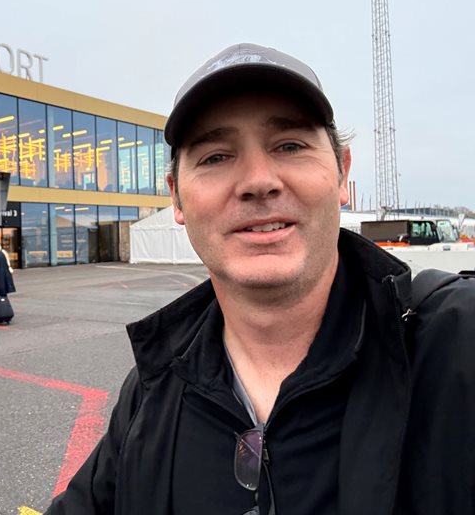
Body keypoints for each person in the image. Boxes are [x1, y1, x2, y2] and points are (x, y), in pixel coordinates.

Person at [46, 43, 475, 514]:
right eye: (214, 156)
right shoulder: (152, 391)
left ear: (341, 173)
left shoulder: (456, 344)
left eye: (289, 146)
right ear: (177, 200)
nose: (258, 180)